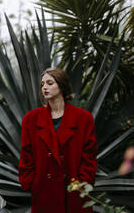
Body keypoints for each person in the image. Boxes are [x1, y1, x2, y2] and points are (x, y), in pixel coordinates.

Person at [18, 67, 97, 213]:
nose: (45, 87)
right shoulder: (31, 119)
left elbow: (89, 157)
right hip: (44, 194)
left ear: (61, 85)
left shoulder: (84, 119)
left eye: (50, 83)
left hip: (74, 194)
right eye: (42, 84)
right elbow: (26, 156)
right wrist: (33, 183)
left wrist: (80, 184)